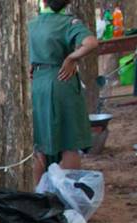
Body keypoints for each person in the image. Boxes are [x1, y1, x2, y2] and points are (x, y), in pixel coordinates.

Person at [30, 0, 98, 182]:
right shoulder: (68, 23)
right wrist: (71, 58)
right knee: (69, 143)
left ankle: (39, 193)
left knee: (40, 145)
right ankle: (66, 193)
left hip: (37, 84)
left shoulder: (31, 24)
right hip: (62, 81)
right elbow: (91, 42)